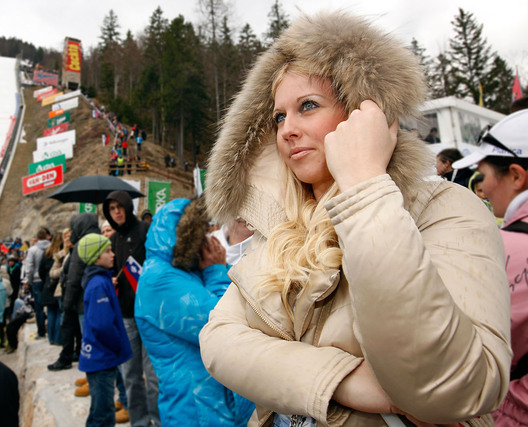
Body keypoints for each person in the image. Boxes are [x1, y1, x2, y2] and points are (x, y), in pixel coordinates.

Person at [199, 11, 511, 426]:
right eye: (278, 116)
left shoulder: (442, 208)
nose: (287, 129)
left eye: (307, 106)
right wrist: (340, 380)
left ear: (366, 114)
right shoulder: (283, 230)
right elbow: (219, 341)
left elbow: (456, 387)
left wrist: (365, 186)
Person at [135, 198, 254, 426]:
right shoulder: (160, 280)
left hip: (212, 405)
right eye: (199, 233)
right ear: (184, 236)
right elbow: (223, 323)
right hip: (197, 411)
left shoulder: (184, 271)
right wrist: (216, 269)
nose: (206, 238)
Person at [452, 109, 528, 425]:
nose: (482, 188)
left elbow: (460, 351)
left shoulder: (502, 248)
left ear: (515, 175)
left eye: (482, 176)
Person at [102, 191, 160, 427]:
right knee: (130, 375)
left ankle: (157, 420)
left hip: (149, 314)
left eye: (119, 207)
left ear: (127, 206)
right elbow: (111, 268)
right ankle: (139, 422)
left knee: (154, 376)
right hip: (126, 315)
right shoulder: (114, 239)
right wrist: (110, 278)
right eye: (112, 208)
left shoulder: (145, 232)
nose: (116, 211)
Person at [78, 233, 133, 427]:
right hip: (102, 358)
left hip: (99, 356)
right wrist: (118, 344)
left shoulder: (99, 280)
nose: (113, 255)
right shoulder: (99, 284)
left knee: (99, 409)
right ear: (95, 257)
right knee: (104, 412)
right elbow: (102, 325)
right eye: (107, 251)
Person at [48, 214, 98, 371]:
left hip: (79, 299)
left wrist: (67, 302)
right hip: (90, 297)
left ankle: (71, 361)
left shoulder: (81, 246)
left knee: (76, 331)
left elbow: (74, 278)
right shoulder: (98, 241)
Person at [24, 227, 51, 339]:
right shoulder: (51, 247)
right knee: (51, 306)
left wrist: (28, 281)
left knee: (38, 307)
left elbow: (29, 267)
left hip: (36, 280)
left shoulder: (33, 250)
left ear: (36, 238)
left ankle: (41, 331)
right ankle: (51, 328)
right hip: (49, 279)